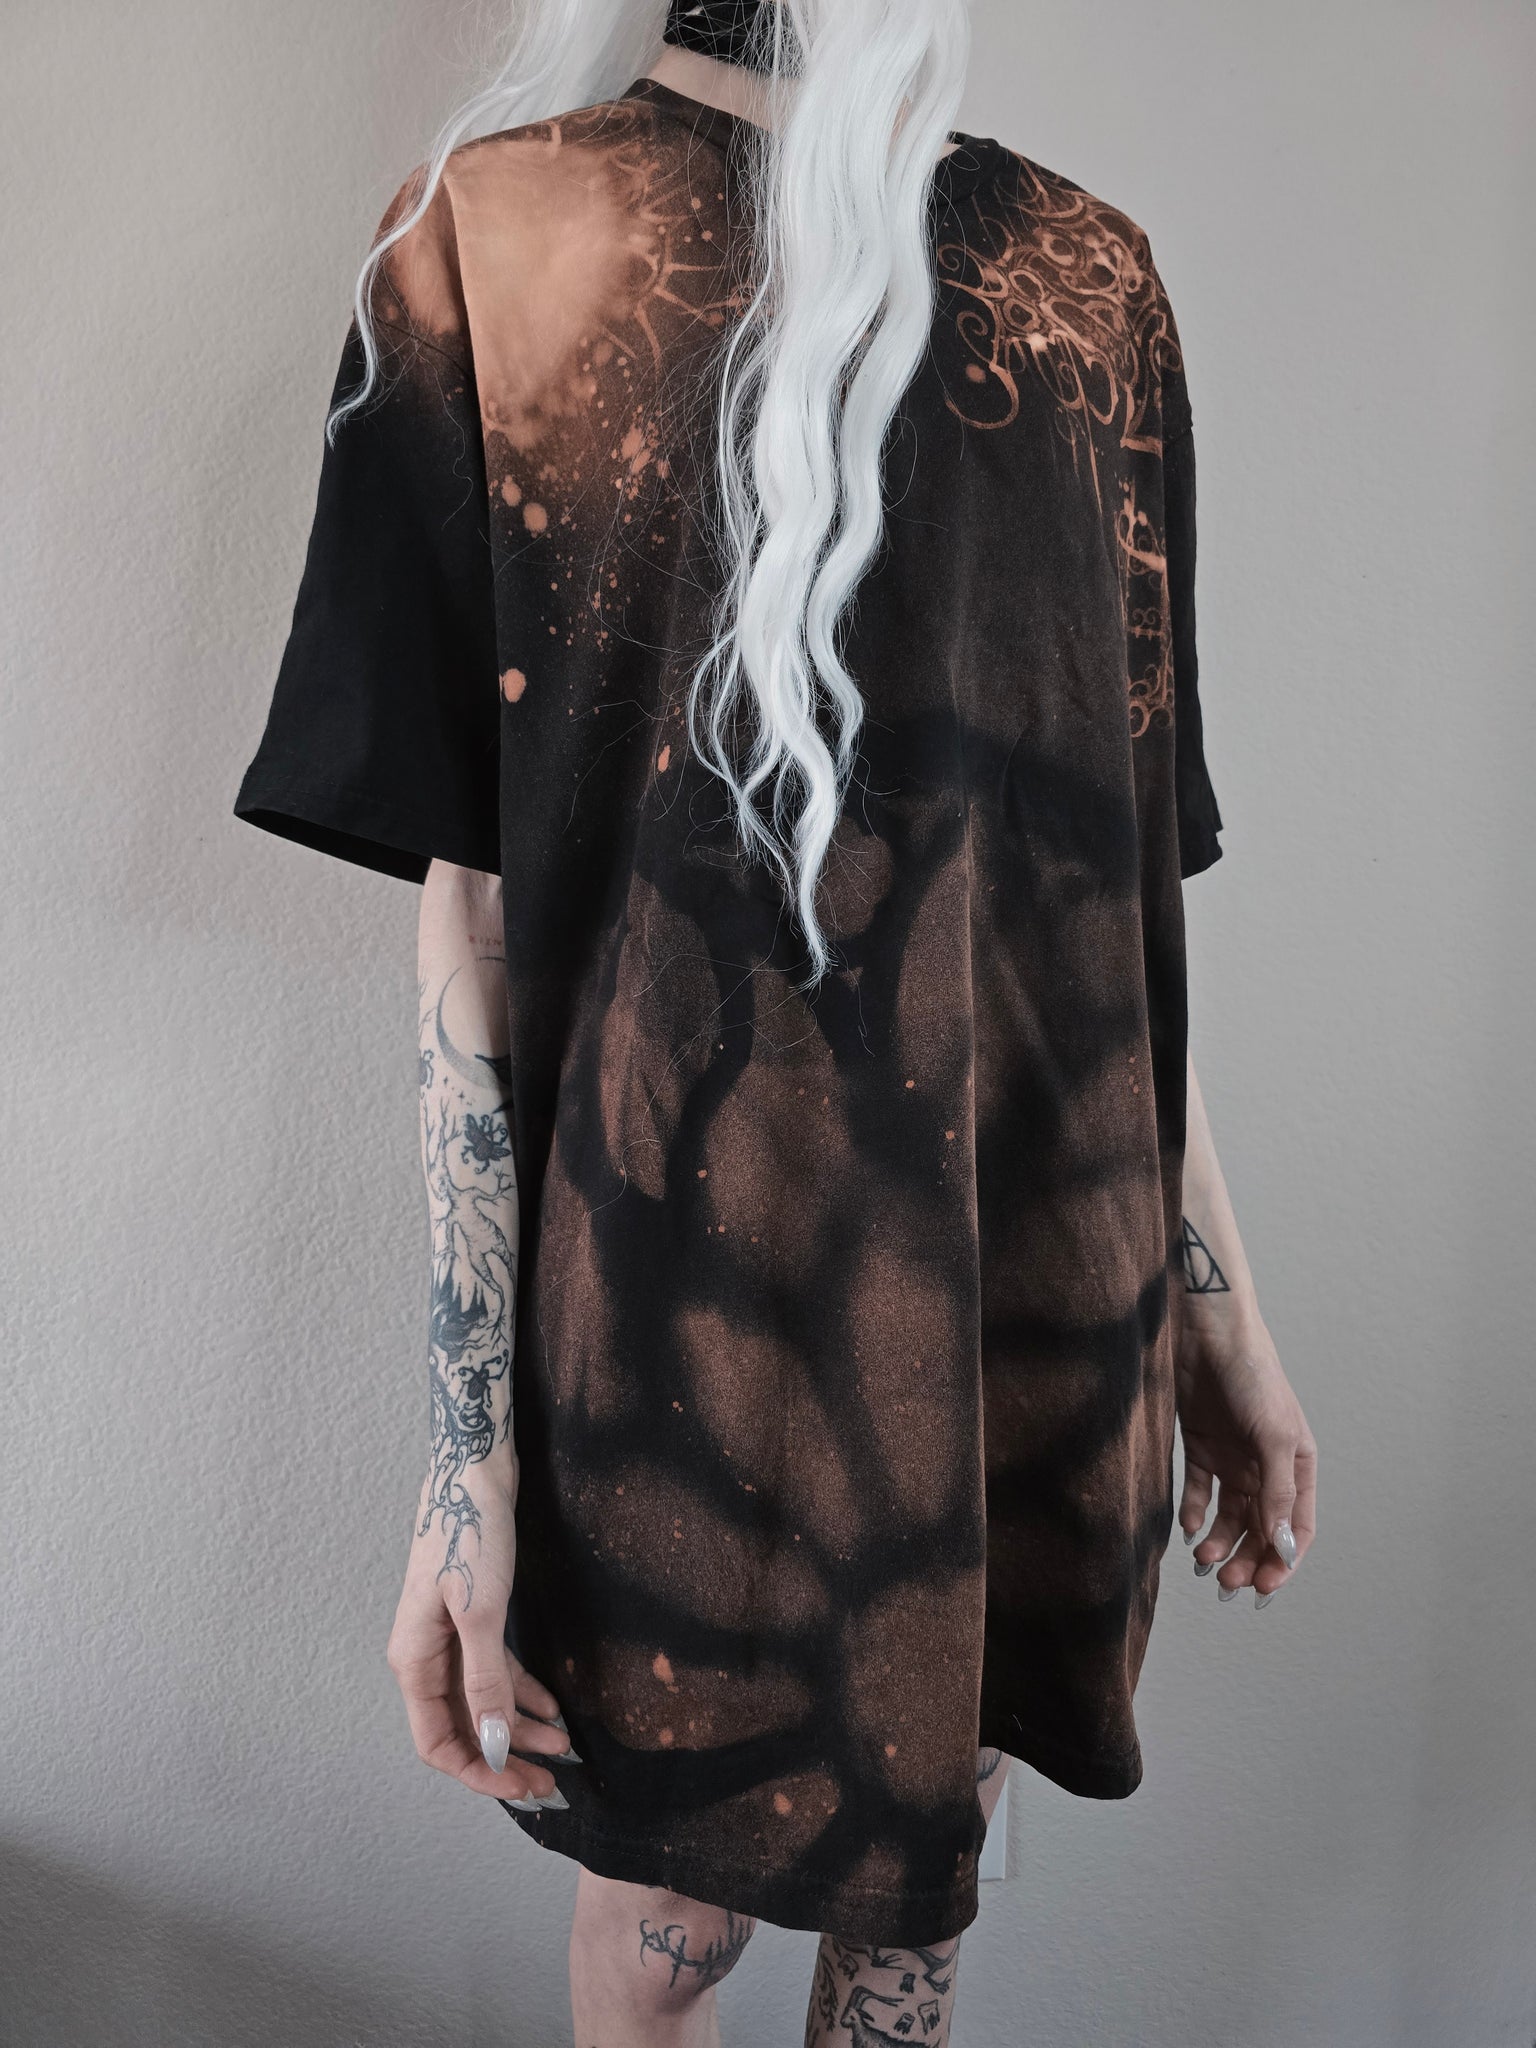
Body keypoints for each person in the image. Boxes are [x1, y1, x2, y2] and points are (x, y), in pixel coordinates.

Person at [232, 0, 1319, 2038]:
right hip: (696, 1360)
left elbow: (1090, 934)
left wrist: (1228, 1321)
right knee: (685, 1937)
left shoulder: (1084, 289)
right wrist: (467, 1466)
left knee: (890, 1934)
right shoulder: (486, 247)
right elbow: (480, 912)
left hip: (974, 1337)